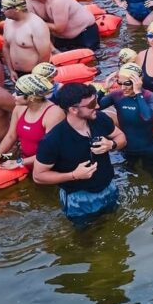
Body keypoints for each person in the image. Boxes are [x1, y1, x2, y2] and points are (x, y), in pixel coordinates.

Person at [33, 83, 127, 221]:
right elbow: (38, 176)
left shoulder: (100, 119)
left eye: (95, 101)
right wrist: (74, 175)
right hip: (78, 197)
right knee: (85, 237)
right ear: (73, 110)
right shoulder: (53, 140)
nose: (97, 106)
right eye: (91, 104)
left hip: (108, 186)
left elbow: (121, 138)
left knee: (115, 222)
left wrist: (111, 145)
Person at [0, 74, 65, 170]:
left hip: (49, 165)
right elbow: (11, 136)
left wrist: (19, 162)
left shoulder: (54, 114)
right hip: (26, 160)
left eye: (18, 93)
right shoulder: (19, 107)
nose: (14, 95)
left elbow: (51, 151)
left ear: (31, 98)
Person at [99, 63, 153, 166]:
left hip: (149, 149)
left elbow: (148, 117)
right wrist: (104, 89)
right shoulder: (117, 95)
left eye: (127, 83)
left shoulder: (150, 97)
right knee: (131, 178)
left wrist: (138, 93)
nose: (123, 88)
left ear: (138, 82)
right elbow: (94, 107)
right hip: (126, 149)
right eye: (120, 83)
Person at [20, 0, 99, 51]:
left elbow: (59, 28)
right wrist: (52, 49)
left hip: (84, 33)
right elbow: (36, 29)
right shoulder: (29, 2)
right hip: (60, 39)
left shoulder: (57, 0)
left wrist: (36, 22)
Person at [1, 0, 52, 80]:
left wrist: (36, 76)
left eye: (5, 8)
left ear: (17, 9)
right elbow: (5, 47)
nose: (2, 11)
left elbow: (45, 55)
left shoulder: (36, 25)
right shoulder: (8, 22)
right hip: (17, 73)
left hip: (36, 73)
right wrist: (11, 70)